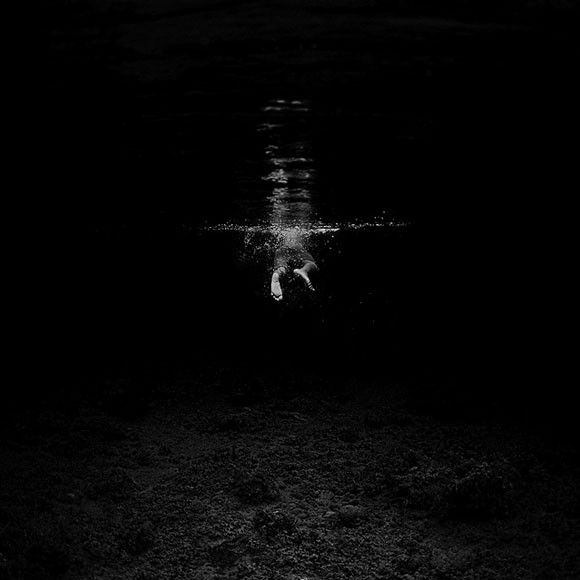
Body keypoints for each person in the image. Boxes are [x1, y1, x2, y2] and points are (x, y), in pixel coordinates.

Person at [270, 230, 318, 301]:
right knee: (310, 263)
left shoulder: (281, 234)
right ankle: (304, 270)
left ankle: (277, 273)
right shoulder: (300, 232)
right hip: (298, 246)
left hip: (282, 248)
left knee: (281, 266)